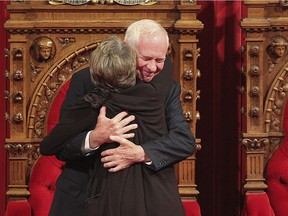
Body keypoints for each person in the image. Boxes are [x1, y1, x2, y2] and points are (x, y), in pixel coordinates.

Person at [41, 19, 195, 216]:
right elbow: (60, 145)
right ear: (127, 49)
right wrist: (95, 138)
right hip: (85, 192)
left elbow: (183, 141)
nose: (152, 68)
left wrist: (140, 153)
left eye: (160, 60)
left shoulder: (166, 87)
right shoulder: (88, 82)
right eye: (146, 58)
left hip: (146, 196)